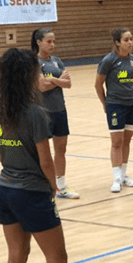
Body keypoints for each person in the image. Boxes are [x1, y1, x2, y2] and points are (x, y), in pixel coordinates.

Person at [0, 47, 111, 263]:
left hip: (4, 189)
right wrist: (52, 188)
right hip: (31, 193)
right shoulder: (35, 113)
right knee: (57, 259)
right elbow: (46, 160)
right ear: (27, 75)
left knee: (16, 256)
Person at [32, 28, 79, 199]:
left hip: (59, 109)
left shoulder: (57, 61)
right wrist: (58, 81)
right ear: (38, 42)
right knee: (41, 151)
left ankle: (61, 185)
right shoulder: (34, 62)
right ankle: (43, 184)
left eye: (54, 41)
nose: (52, 45)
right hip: (42, 112)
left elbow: (68, 84)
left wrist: (52, 79)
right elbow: (41, 87)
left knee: (61, 149)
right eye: (49, 41)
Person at [94, 28, 133, 193]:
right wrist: (105, 104)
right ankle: (116, 178)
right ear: (117, 43)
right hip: (115, 105)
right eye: (126, 40)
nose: (130, 43)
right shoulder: (109, 60)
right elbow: (98, 84)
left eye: (131, 39)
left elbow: (132, 82)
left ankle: (124, 174)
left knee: (127, 141)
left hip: (132, 104)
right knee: (117, 142)